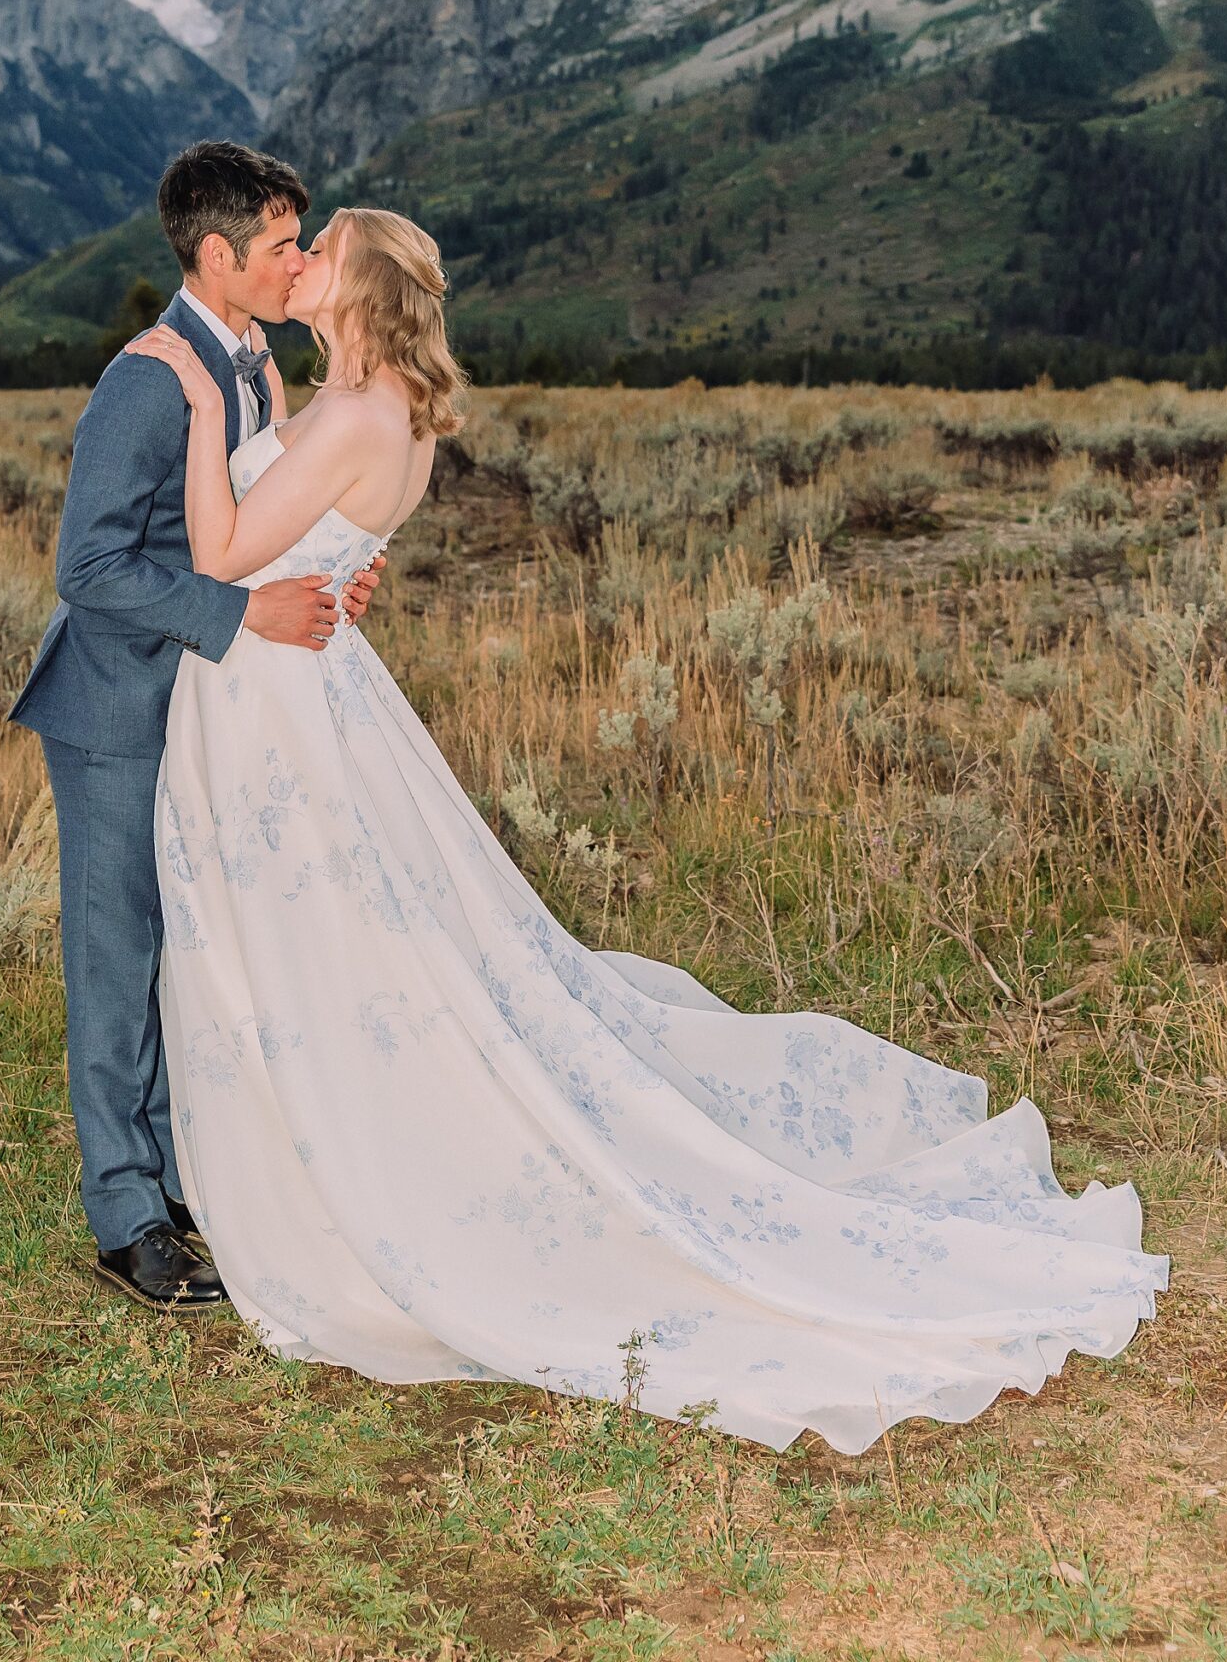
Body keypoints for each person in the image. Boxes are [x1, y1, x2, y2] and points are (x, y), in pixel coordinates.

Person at [123, 206, 1169, 1454]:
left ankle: (338, 1196)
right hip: (302, 687)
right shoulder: (380, 409)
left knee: (312, 954)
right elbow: (310, 533)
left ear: (360, 286)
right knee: (346, 954)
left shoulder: (351, 413)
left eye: (322, 244)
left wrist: (196, 409)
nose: (301, 257)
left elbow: (221, 543)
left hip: (276, 706)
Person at [7, 142, 383, 1312]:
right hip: (118, 708)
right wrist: (240, 610)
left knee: (200, 941)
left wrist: (322, 579)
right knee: (119, 953)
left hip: (214, 711)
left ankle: (180, 1178)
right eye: (281, 247)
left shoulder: (259, 365)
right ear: (217, 256)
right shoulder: (143, 379)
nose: (297, 264)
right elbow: (89, 564)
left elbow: (266, 518)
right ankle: (128, 1216)